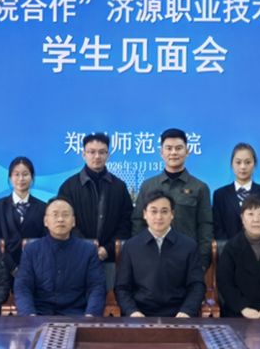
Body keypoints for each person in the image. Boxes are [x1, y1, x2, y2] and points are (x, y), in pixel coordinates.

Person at [115, 190, 205, 317]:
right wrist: (132, 311)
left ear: (172, 214)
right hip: (140, 315)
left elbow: (197, 285)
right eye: (153, 211)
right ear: (144, 214)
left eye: (164, 211)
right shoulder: (131, 246)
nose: (159, 217)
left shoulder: (189, 246)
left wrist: (186, 311)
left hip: (179, 315)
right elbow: (122, 287)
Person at [132, 128, 213, 269]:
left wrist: (202, 261)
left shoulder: (200, 187)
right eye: (169, 148)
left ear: (187, 151)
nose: (173, 152)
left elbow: (205, 226)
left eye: (178, 148)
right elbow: (138, 222)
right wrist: (139, 254)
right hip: (152, 258)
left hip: (187, 259)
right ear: (161, 152)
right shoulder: (148, 186)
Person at [14, 197, 106, 316]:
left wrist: (90, 315)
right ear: (45, 221)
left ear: (73, 221)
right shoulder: (31, 250)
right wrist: (29, 315)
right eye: (55, 215)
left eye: (65, 215)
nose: (60, 219)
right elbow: (23, 287)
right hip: (39, 315)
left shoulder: (88, 250)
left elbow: (96, 287)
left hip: (77, 315)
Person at [58, 133, 132, 263]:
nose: (97, 156)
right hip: (76, 256)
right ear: (84, 154)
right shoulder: (69, 187)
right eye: (92, 152)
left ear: (108, 155)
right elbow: (63, 220)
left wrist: (108, 249)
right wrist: (86, 246)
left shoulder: (119, 187)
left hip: (110, 259)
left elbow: (126, 223)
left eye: (102, 152)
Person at [0, 156, 46, 281]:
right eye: (16, 174)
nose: (21, 179)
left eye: (25, 174)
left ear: (32, 177)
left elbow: (45, 240)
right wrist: (13, 268)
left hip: (35, 271)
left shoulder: (43, 207)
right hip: (3, 271)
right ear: (10, 178)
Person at [213, 142, 260, 239]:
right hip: (228, 247)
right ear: (232, 164)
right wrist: (230, 246)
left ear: (254, 164)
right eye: (238, 162)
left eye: (248, 162)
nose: (243, 167)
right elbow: (217, 227)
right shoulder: (220, 195)